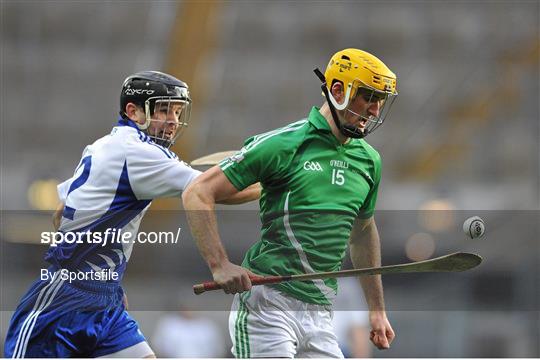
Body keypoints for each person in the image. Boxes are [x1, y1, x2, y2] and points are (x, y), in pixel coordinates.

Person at [4, 71, 259, 358]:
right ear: (133, 111)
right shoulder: (141, 153)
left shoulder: (103, 145)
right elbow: (212, 191)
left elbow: (60, 212)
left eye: (177, 111)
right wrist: (267, 183)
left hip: (105, 299)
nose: (173, 120)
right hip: (62, 303)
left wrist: (103, 277)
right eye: (163, 109)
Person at [182, 48, 398, 358]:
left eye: (380, 100)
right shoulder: (284, 144)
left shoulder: (369, 161)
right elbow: (197, 192)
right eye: (368, 97)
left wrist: (376, 309)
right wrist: (220, 265)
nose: (375, 110)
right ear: (338, 91)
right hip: (267, 306)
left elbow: (362, 232)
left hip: (321, 313)